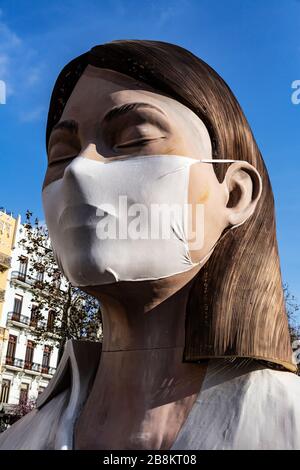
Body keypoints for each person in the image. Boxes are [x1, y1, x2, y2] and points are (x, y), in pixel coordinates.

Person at [0, 40, 299, 450]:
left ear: (232, 195)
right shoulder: (18, 440)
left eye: (133, 140)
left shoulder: (288, 424)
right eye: (60, 155)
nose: (78, 171)